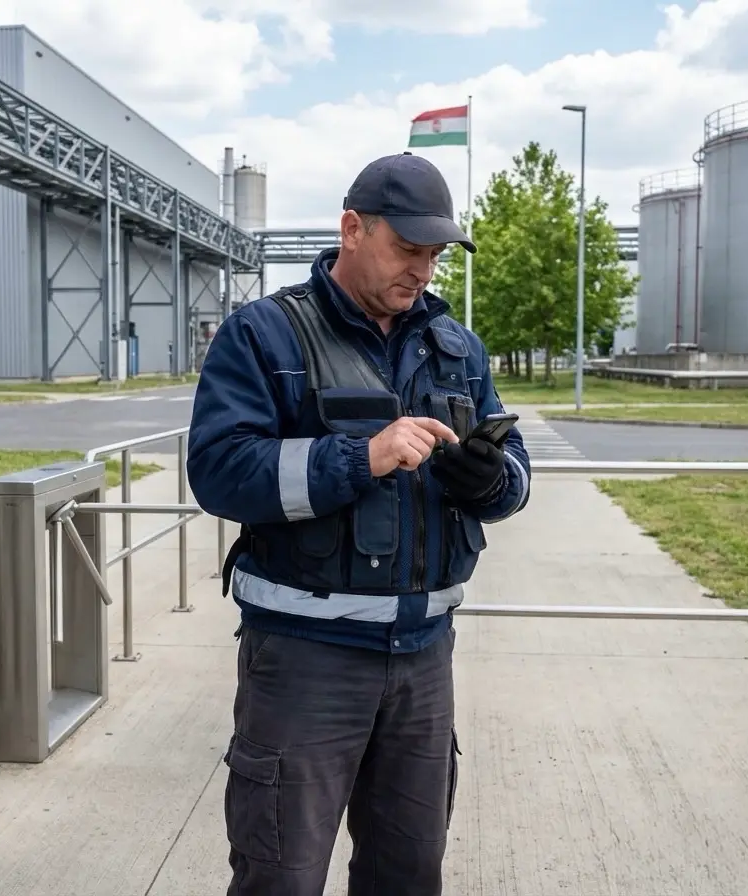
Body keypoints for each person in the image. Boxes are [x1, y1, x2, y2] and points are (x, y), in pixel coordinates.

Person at [186, 151, 532, 895]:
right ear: (352, 228)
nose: (424, 271)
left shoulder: (457, 348)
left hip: (424, 661)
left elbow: (516, 479)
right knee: (281, 875)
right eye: (409, 249)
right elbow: (217, 471)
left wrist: (490, 479)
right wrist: (358, 459)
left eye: (435, 255)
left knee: (407, 875)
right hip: (306, 664)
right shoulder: (263, 336)